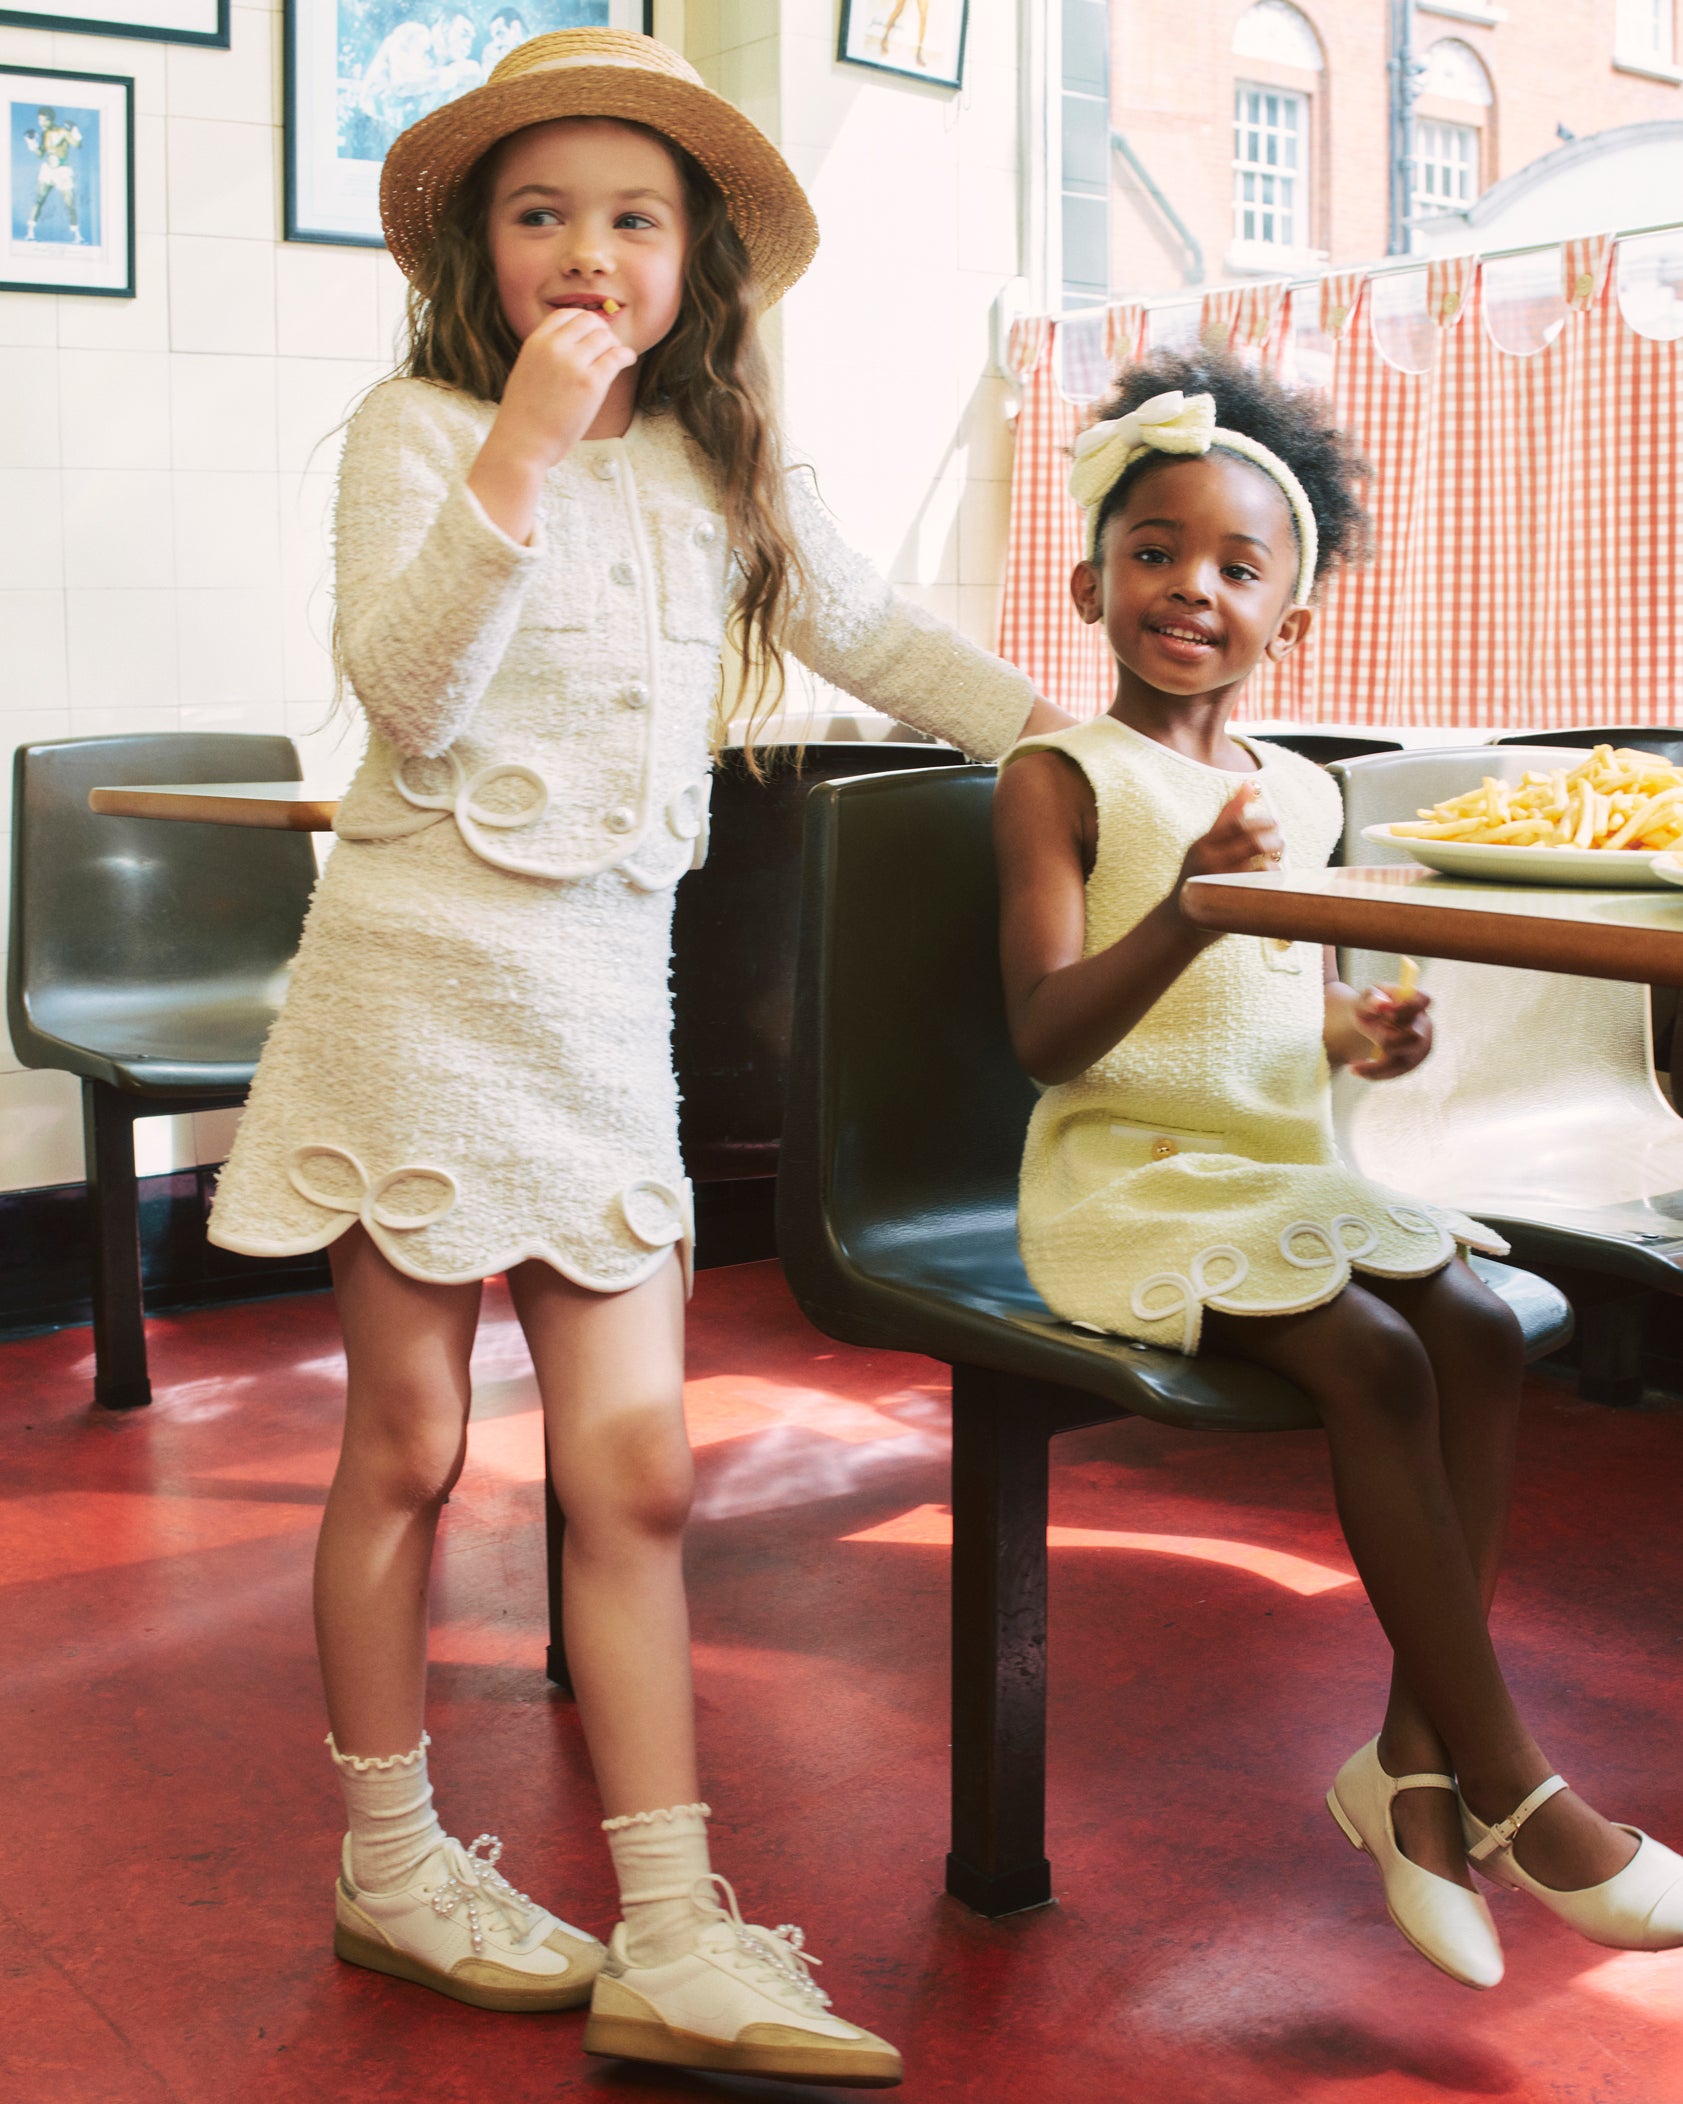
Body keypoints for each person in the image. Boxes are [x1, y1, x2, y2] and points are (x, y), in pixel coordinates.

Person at [207, 26, 1066, 2088]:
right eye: (540, 215)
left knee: (638, 1472)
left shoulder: (723, 467)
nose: (585, 252)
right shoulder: (418, 428)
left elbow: (881, 633)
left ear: (697, 262)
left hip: (598, 1009)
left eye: (630, 219)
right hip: (417, 987)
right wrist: (518, 447)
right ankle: (391, 1865)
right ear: (478, 253)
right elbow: (409, 694)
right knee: (408, 1446)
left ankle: (671, 1930)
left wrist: (1089, 748)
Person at [992, 350, 1683, 1990]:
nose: (1192, 588)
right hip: (1129, 1183)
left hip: (1280, 1172)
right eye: (1154, 551)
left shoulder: (1297, 794)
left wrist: (1359, 1036)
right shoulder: (1060, 778)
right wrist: (1188, 903)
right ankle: (1516, 1785)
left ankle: (1414, 1778)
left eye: (1238, 568)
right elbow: (1049, 1037)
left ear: (1289, 624)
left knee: (1480, 1324)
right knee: (1377, 1360)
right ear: (1091, 584)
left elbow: (1266, 1014)